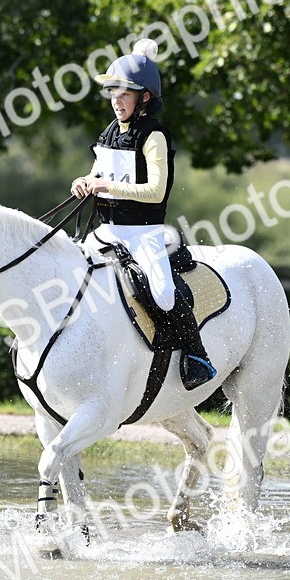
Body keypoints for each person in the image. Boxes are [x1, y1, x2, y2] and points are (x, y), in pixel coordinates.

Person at [70, 38, 217, 391]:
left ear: (144, 98)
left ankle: (196, 356)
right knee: (70, 271)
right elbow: (97, 172)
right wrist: (84, 182)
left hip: (144, 232)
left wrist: (108, 187)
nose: (116, 101)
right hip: (107, 230)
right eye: (113, 93)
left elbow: (155, 190)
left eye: (124, 94)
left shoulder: (154, 137)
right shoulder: (109, 132)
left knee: (165, 294)